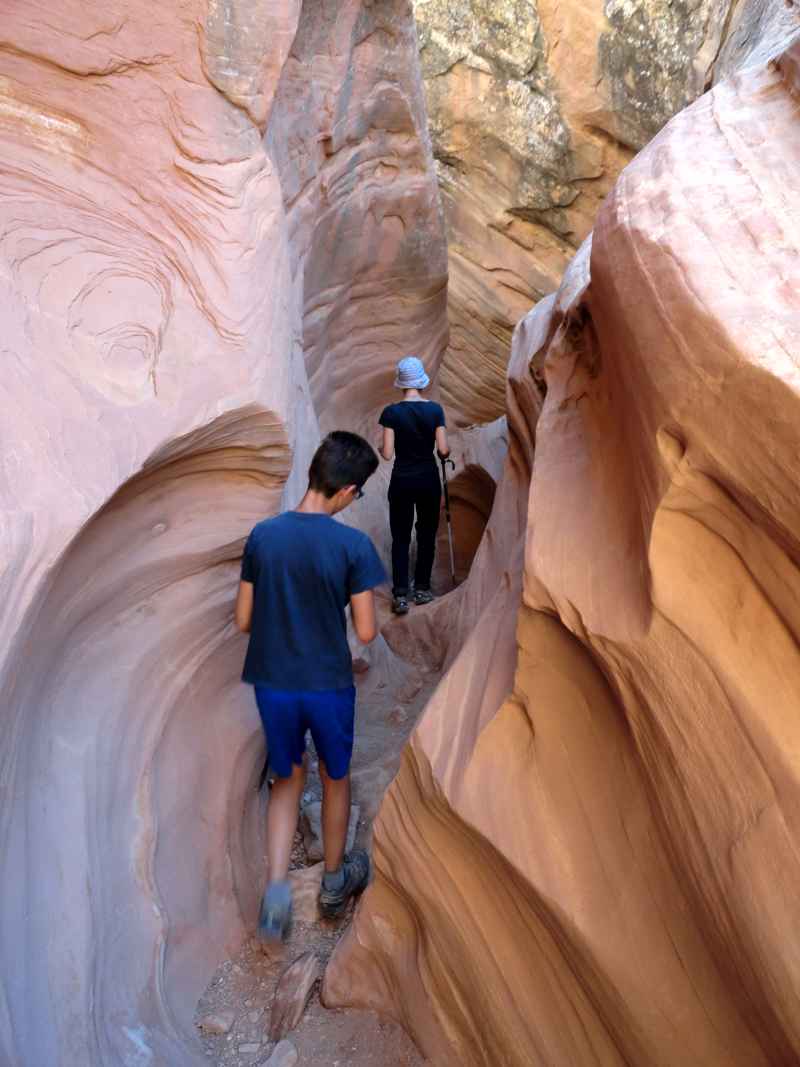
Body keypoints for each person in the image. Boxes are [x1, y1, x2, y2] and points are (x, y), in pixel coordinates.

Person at [234, 431, 385, 942]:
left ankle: (277, 896)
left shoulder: (263, 536)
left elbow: (243, 619)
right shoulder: (352, 546)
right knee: (334, 776)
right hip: (327, 683)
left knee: (287, 779)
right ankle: (334, 882)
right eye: (358, 493)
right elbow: (365, 632)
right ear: (346, 491)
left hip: (273, 681)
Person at [379, 356, 450, 615]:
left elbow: (387, 454)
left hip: (401, 480)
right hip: (428, 480)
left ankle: (400, 595)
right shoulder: (435, 410)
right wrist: (444, 450)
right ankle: (421, 589)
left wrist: (381, 446)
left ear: (401, 383)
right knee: (426, 534)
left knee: (400, 537)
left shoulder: (391, 413)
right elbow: (443, 449)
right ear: (421, 382)